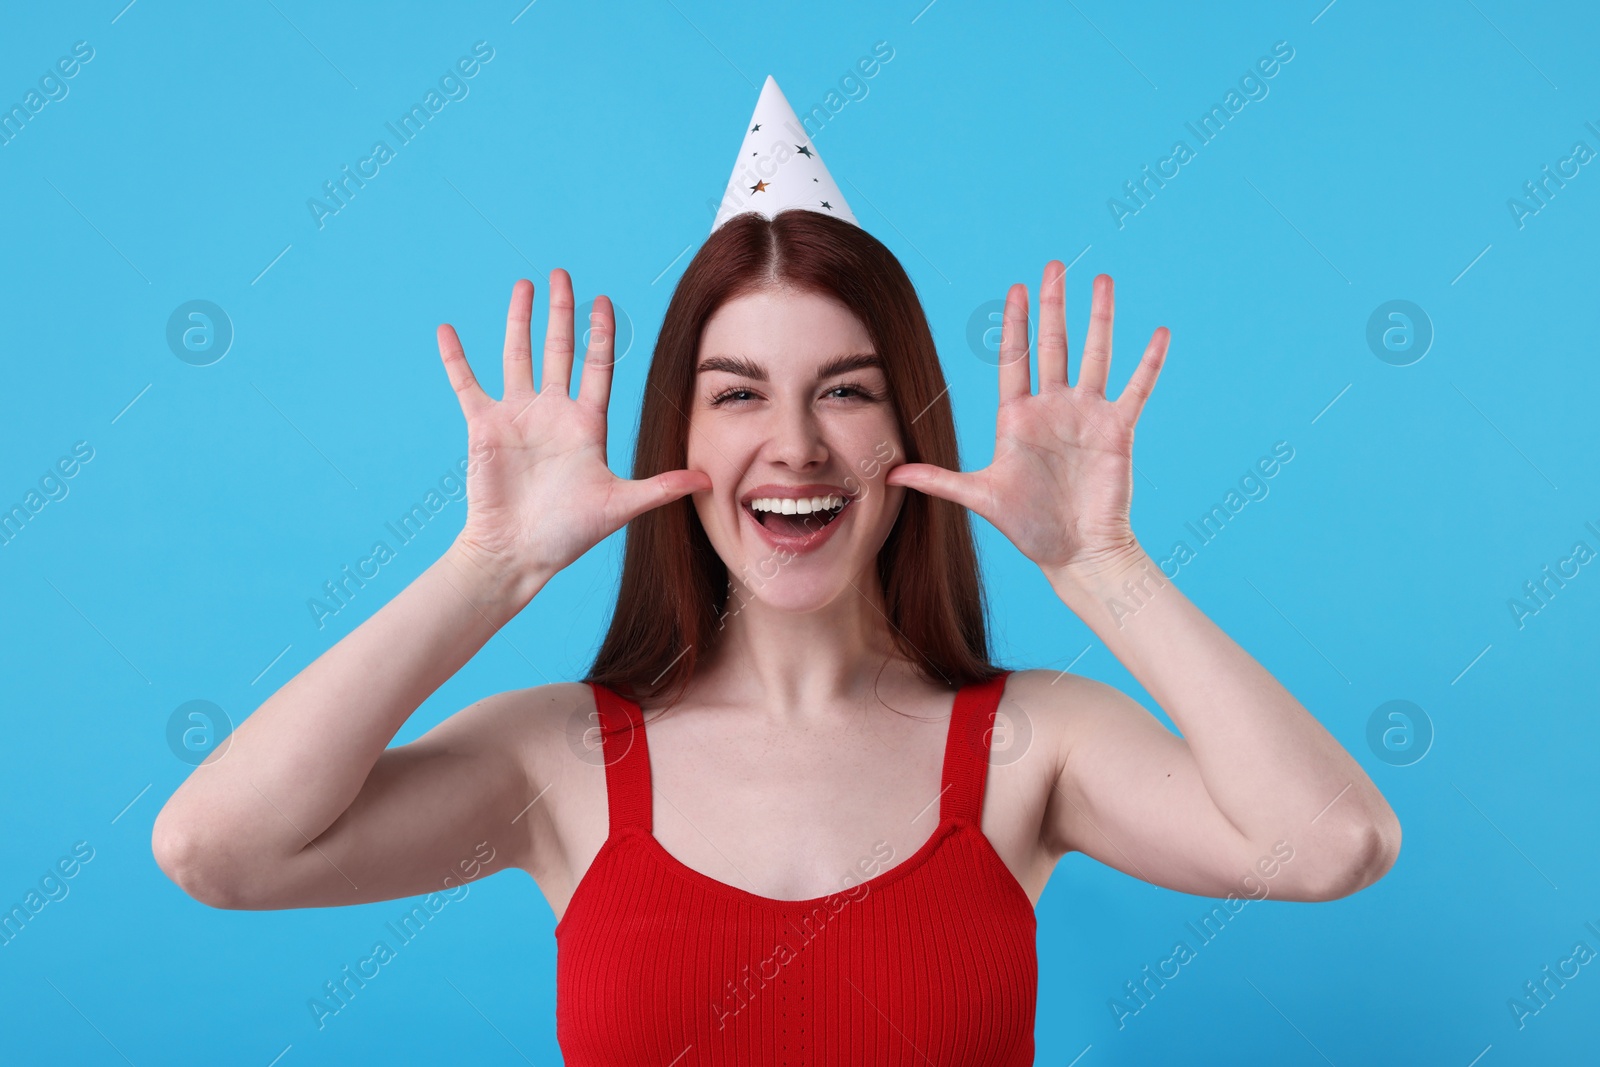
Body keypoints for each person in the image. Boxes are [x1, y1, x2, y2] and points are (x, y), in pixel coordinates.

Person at [153, 76, 1400, 1062]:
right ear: (677, 441)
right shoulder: (557, 760)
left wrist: (1099, 564)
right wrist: (492, 567)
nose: (794, 444)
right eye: (737, 392)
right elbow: (218, 848)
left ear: (908, 427)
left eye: (845, 391)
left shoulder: (1033, 743)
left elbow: (1334, 842)